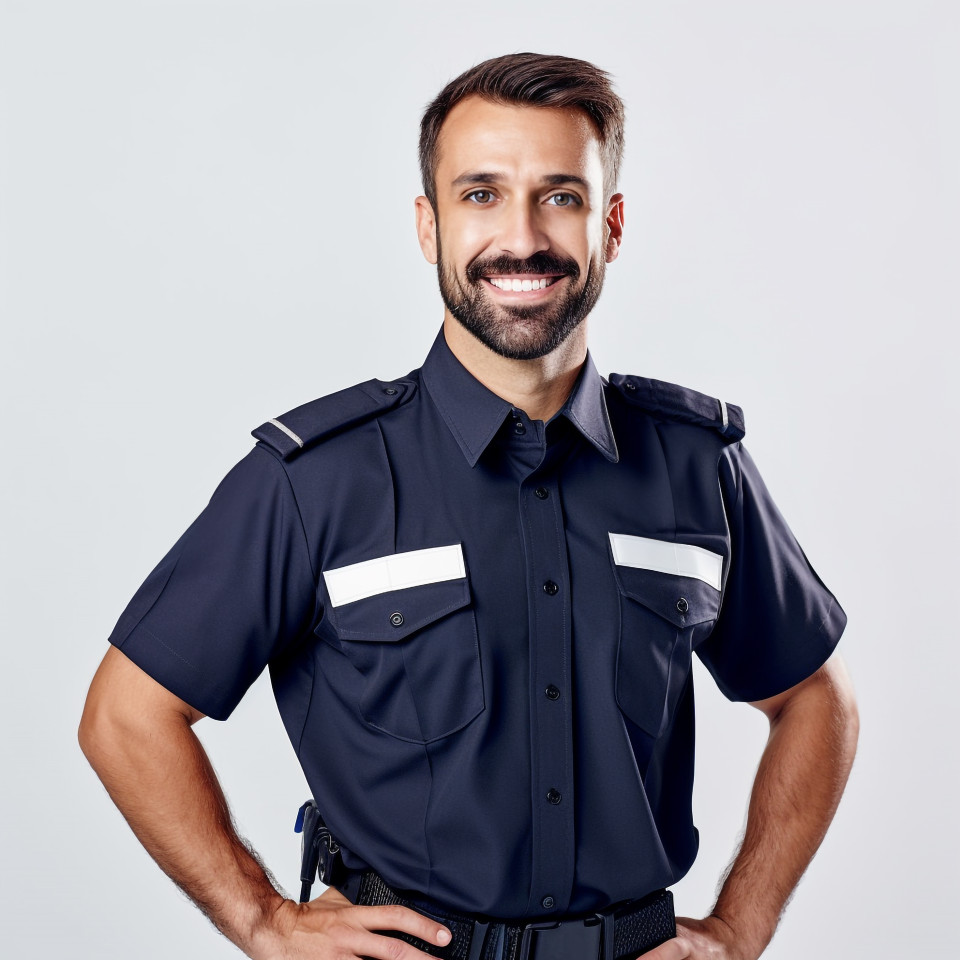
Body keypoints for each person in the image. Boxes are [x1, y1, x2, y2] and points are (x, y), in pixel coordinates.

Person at [79, 52, 858, 960]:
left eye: (560, 196)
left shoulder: (695, 465)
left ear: (610, 225)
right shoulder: (315, 478)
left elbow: (815, 698)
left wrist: (741, 929)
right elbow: (125, 716)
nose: (521, 237)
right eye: (481, 195)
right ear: (429, 225)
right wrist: (261, 919)